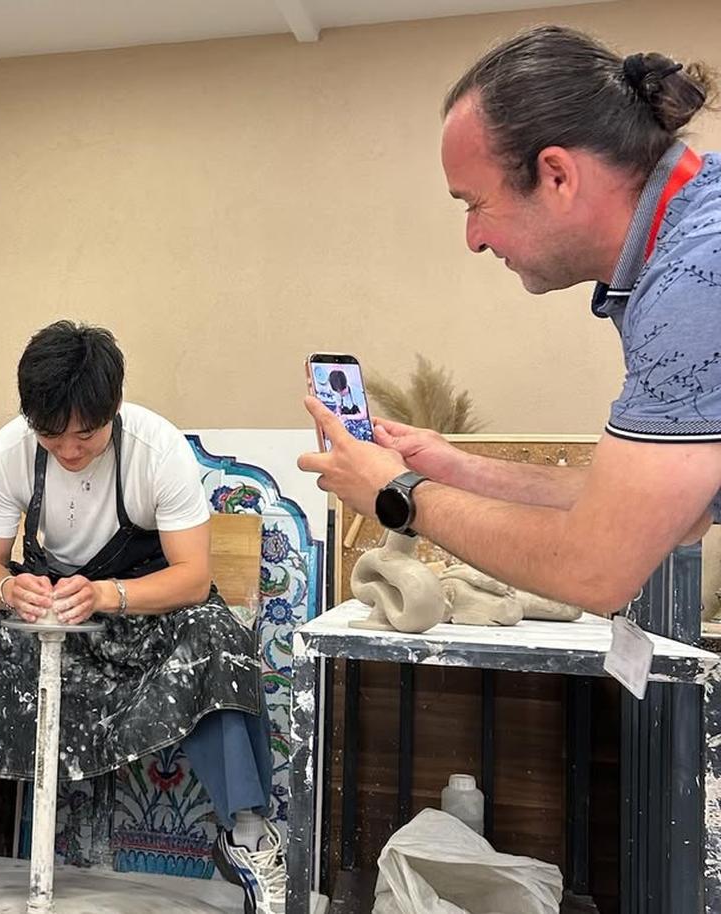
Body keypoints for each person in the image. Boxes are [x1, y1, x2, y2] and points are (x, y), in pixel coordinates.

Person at [0, 321, 285, 914]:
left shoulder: (157, 451)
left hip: (143, 612)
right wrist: (11, 589)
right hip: (49, 613)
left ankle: (246, 834)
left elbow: (191, 577)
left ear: (113, 409)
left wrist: (109, 595)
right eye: (51, 436)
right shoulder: (10, 451)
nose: (69, 450)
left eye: (85, 435)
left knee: (220, 636)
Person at [299, 26, 720, 616]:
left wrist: (396, 494)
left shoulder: (695, 279)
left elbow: (595, 567)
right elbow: (675, 512)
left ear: (556, 176)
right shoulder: (684, 241)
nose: (473, 239)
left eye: (474, 203)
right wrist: (454, 468)